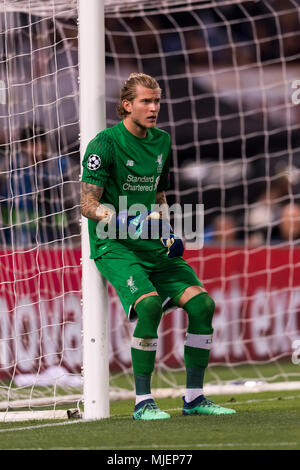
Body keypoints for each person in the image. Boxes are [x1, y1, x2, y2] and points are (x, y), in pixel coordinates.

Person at [80, 73, 236, 420]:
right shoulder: (104, 144)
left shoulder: (162, 141)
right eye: (146, 102)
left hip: (151, 244)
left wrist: (167, 229)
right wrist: (126, 220)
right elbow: (88, 205)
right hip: (114, 245)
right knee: (149, 307)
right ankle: (142, 402)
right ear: (126, 105)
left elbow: (158, 194)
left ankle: (194, 398)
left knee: (203, 305)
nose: (153, 108)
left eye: (157, 101)